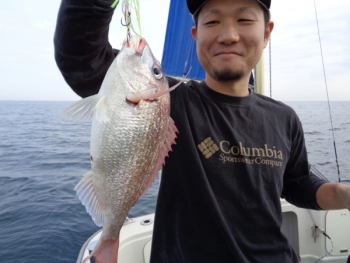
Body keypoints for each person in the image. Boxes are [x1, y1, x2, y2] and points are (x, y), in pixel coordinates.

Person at [54, 0, 350, 262]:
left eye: (244, 19)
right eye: (212, 21)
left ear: (266, 33)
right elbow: (79, 56)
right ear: (196, 35)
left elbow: (297, 185)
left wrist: (340, 193)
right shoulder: (169, 102)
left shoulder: (284, 117)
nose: (229, 35)